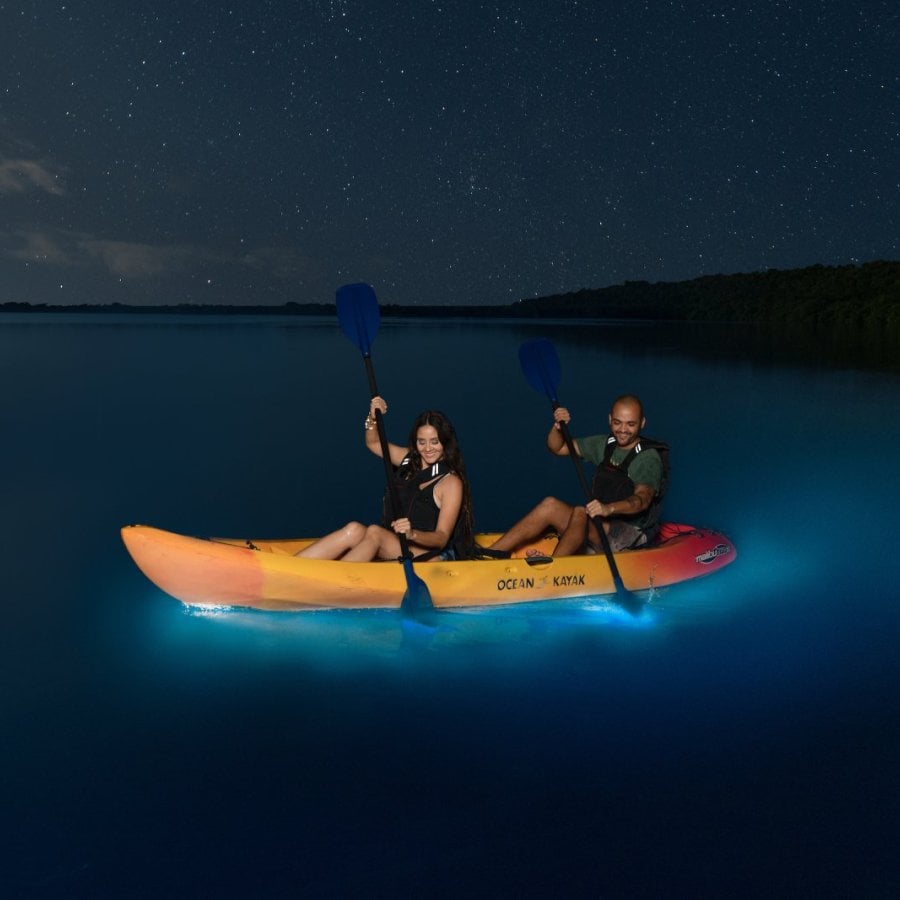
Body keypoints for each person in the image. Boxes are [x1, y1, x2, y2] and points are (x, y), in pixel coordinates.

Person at [296, 396, 474, 562]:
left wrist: (412, 534)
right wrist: (372, 418)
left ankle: (330, 582)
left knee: (375, 533)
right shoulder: (408, 460)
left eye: (434, 441)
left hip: (430, 557)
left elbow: (442, 538)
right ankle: (291, 568)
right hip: (395, 546)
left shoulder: (450, 482)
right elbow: (373, 443)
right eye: (422, 442)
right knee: (354, 529)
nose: (428, 448)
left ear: (445, 442)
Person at [488, 394, 665, 557]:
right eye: (617, 423)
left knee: (580, 512)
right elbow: (557, 448)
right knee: (550, 504)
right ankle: (491, 554)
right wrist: (558, 428)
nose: (623, 430)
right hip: (599, 526)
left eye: (630, 424)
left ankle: (554, 567)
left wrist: (608, 508)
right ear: (610, 420)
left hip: (630, 536)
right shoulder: (605, 444)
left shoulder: (647, 458)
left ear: (642, 423)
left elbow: (642, 500)